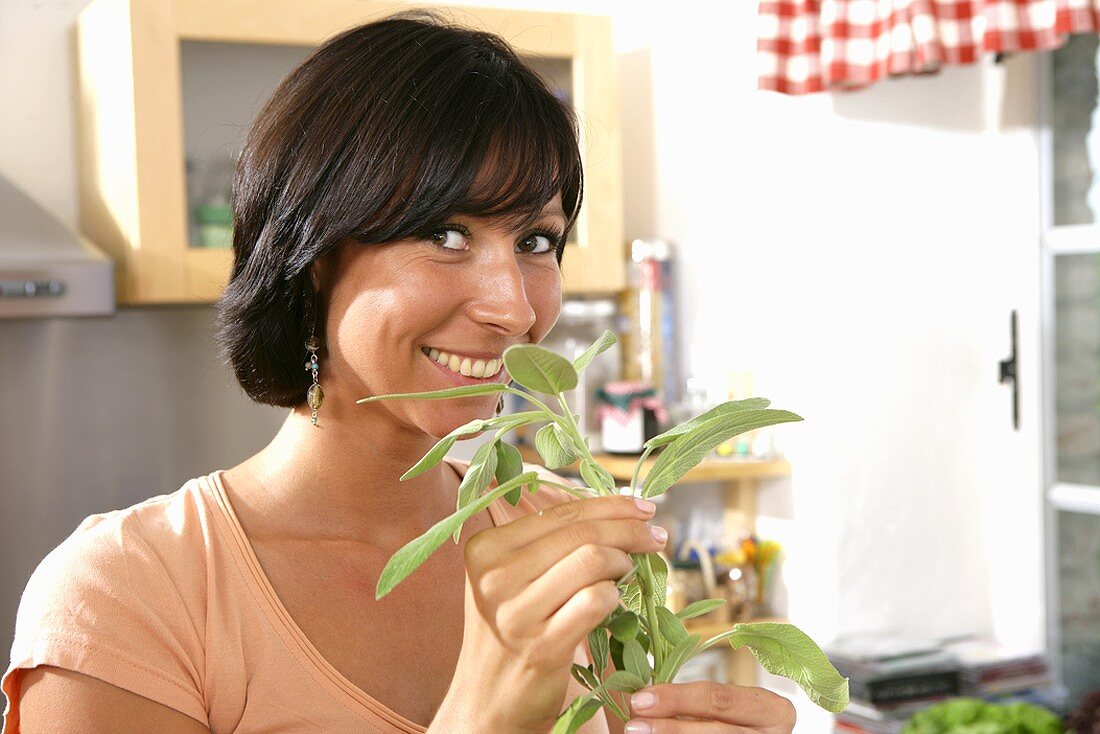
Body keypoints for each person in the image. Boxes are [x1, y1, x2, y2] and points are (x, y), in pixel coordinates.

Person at [2, 11, 796, 734]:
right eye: (447, 233)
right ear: (313, 256)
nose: (513, 309)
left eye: (537, 241)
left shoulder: (561, 538)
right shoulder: (125, 596)